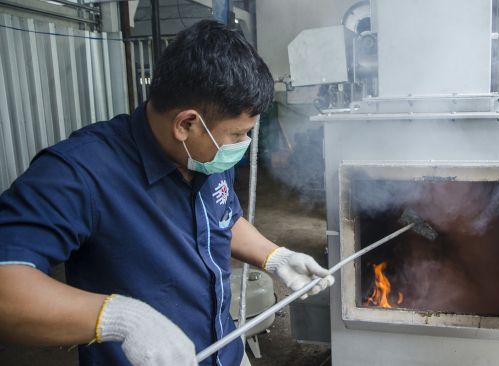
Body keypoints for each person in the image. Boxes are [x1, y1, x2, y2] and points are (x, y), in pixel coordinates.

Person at [0, 20, 333, 366]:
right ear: (186, 124)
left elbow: (222, 218)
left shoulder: (207, 156)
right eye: (237, 135)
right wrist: (118, 319)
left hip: (226, 353)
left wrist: (275, 256)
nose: (243, 145)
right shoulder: (79, 172)